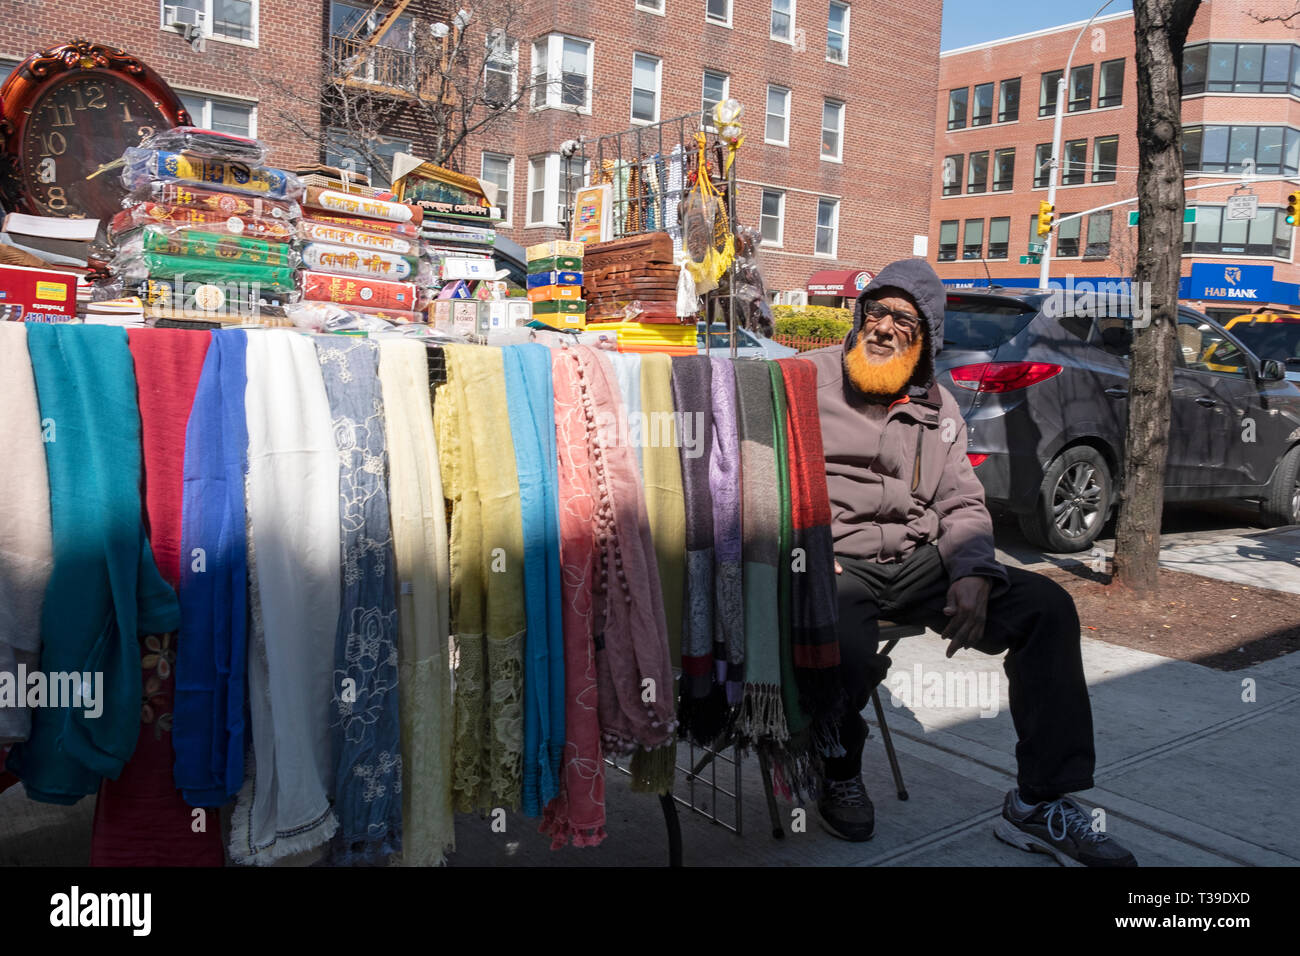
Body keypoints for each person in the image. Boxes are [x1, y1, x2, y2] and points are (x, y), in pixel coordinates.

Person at [799, 258, 1136, 867]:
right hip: (834, 560)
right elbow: (752, 477)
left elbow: (962, 501)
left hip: (916, 557)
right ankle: (838, 766)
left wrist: (975, 571)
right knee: (840, 637)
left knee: (1047, 609)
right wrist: (805, 547)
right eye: (874, 311)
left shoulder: (939, 404)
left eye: (902, 320)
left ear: (925, 337)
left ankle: (1038, 805)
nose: (881, 328)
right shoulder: (803, 381)